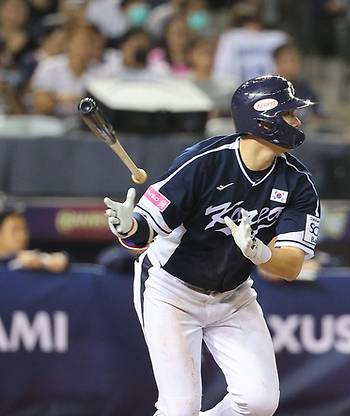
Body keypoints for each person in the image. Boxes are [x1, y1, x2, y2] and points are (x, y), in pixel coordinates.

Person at [103, 75, 320, 416]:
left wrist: (259, 252)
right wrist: (128, 225)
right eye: (289, 114)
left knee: (261, 403)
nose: (297, 121)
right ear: (263, 119)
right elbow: (142, 236)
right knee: (179, 407)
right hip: (170, 290)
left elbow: (291, 266)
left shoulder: (298, 183)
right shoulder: (204, 162)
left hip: (233, 296)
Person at [0, 208, 69, 273]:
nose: (22, 235)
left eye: (24, 229)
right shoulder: (15, 261)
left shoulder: (33, 259)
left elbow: (59, 260)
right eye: (15, 230)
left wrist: (47, 260)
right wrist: (16, 259)